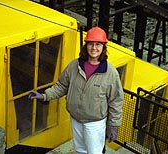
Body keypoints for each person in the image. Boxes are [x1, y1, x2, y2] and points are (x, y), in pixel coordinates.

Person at [29, 26, 124, 154]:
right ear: (86, 46)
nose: (94, 48)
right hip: (76, 118)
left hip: (94, 123)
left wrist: (113, 126)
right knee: (79, 150)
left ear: (103, 48)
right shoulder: (74, 66)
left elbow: (116, 101)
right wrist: (45, 96)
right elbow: (62, 86)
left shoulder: (110, 73)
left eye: (98, 44)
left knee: (94, 152)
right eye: (91, 44)